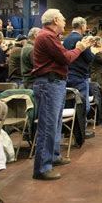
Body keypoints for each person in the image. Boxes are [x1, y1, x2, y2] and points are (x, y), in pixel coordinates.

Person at [31, 9, 91, 181]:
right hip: (49, 84)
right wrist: (80, 48)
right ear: (56, 20)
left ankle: (53, 156)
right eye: (63, 19)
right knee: (48, 126)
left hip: (54, 83)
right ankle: (42, 167)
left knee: (55, 124)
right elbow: (66, 58)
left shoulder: (49, 37)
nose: (65, 22)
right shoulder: (47, 36)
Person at [63, 17, 95, 138]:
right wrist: (90, 50)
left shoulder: (66, 40)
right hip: (80, 76)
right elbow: (89, 58)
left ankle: (68, 130)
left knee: (69, 103)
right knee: (83, 105)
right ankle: (81, 131)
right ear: (82, 26)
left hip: (67, 74)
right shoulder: (81, 40)